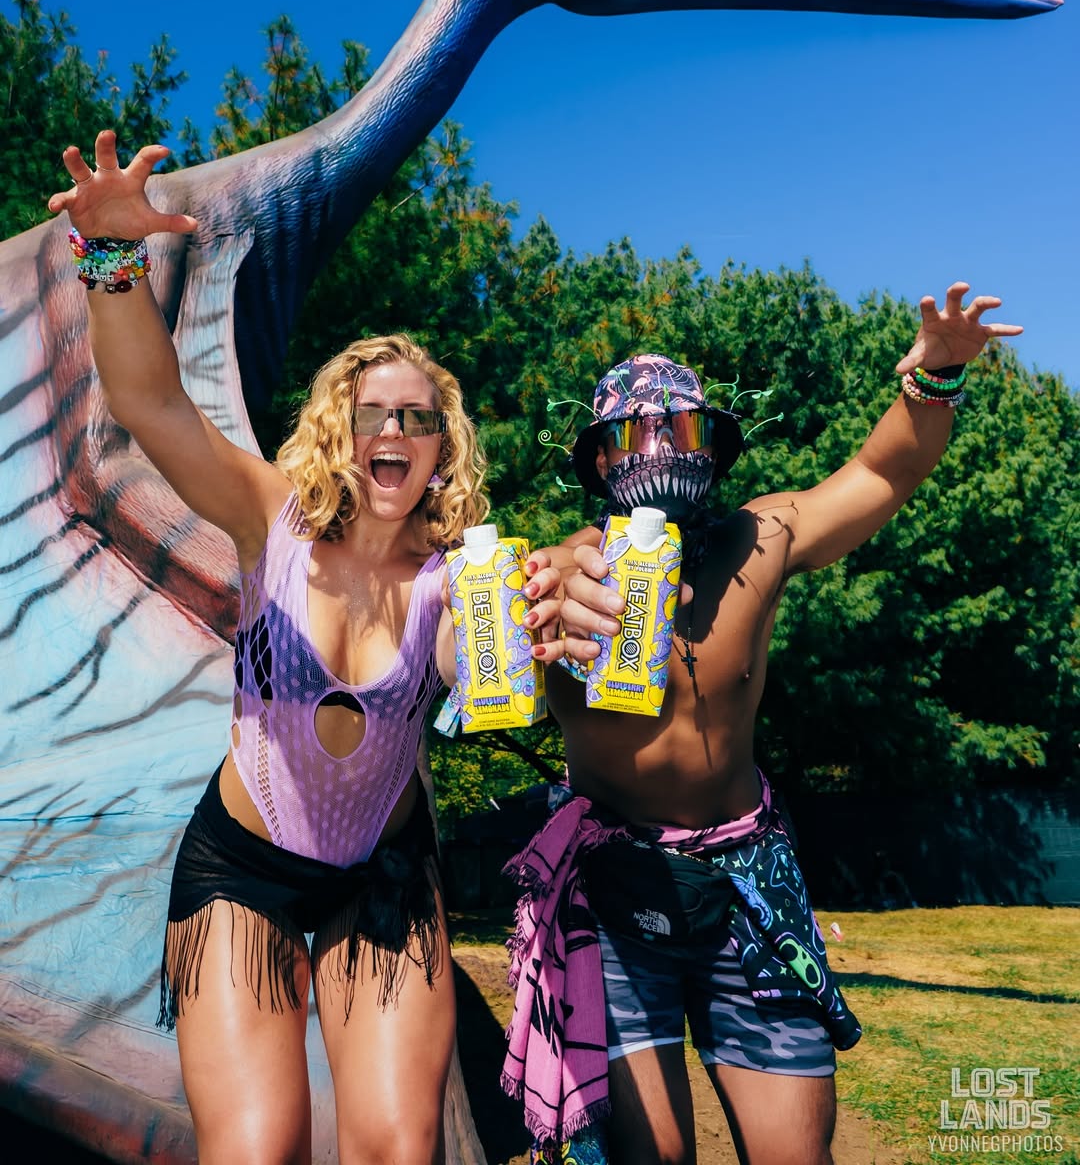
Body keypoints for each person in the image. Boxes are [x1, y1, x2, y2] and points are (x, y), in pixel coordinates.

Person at [47, 129, 560, 1165]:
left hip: (385, 876)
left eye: (418, 417)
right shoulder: (270, 516)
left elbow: (487, 681)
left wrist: (547, 634)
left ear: (441, 447)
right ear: (340, 429)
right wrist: (111, 255)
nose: (395, 429)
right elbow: (149, 403)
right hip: (243, 876)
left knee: (398, 1148)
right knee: (258, 1150)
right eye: (374, 413)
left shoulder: (461, 575)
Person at [508, 290, 1022, 1165]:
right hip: (615, 886)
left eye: (681, 428)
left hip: (750, 877)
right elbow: (486, 641)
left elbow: (883, 474)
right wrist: (541, 612)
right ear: (599, 458)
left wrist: (936, 374)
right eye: (635, 433)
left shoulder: (762, 537)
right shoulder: (560, 573)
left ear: (712, 446)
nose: (661, 448)